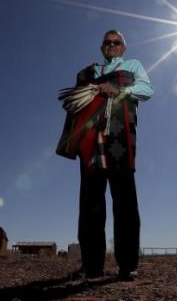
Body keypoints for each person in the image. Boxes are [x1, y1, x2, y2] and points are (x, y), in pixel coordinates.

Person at [56, 29, 153, 281]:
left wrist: (121, 90)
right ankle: (92, 265)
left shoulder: (133, 66)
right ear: (102, 47)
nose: (112, 45)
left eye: (116, 42)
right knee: (90, 203)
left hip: (120, 139)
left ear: (123, 47)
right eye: (107, 43)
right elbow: (73, 105)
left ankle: (127, 264)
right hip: (90, 141)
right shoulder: (88, 72)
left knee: (125, 203)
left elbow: (146, 89)